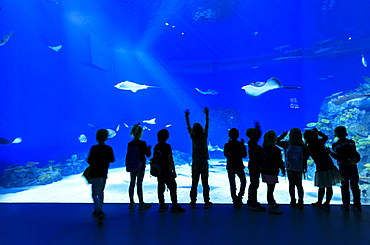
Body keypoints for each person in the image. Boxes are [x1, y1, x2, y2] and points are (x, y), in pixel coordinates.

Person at [304, 128, 344, 211]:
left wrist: (303, 166)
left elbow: (305, 158)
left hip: (321, 168)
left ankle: (319, 202)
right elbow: (325, 137)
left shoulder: (309, 147)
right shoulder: (320, 142)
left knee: (321, 186)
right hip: (329, 165)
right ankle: (327, 203)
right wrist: (318, 132)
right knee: (329, 186)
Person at [185, 107, 212, 209]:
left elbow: (188, 127)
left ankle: (192, 201)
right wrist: (207, 115)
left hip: (195, 161)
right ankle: (206, 201)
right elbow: (207, 126)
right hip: (204, 161)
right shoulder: (204, 136)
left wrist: (186, 116)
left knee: (194, 182)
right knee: (205, 182)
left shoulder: (193, 137)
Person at [330, 126, 362, 211]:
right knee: (355, 185)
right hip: (353, 166)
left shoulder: (335, 145)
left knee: (344, 185)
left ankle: (345, 204)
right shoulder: (352, 142)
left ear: (335, 134)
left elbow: (338, 156)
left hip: (343, 167)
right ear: (346, 133)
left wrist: (329, 153)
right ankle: (357, 204)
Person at [154, 129, 185, 213]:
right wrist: (173, 170)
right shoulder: (167, 146)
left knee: (160, 188)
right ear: (167, 137)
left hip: (159, 171)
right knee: (172, 187)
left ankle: (162, 205)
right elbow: (170, 159)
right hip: (167, 171)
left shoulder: (156, 146)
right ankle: (174, 205)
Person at [87, 129, 115, 218]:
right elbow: (112, 159)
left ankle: (98, 210)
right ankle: (100, 208)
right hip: (103, 173)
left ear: (96, 138)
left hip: (94, 173)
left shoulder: (94, 148)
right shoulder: (108, 148)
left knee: (94, 193)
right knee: (101, 191)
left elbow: (89, 160)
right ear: (107, 138)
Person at [277, 128, 307, 209]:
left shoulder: (286, 144)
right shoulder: (303, 146)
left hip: (290, 168)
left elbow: (276, 141)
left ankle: (293, 200)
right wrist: (304, 167)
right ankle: (301, 201)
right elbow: (304, 158)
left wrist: (282, 135)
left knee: (291, 185)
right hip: (299, 168)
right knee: (299, 185)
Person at [127, 123, 152, 210]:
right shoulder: (143, 143)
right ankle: (141, 203)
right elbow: (148, 155)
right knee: (139, 184)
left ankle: (131, 203)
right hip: (141, 166)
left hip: (132, 166)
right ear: (141, 133)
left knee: (132, 183)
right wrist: (149, 149)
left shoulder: (130, 144)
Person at [261, 130, 285, 215]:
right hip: (272, 172)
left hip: (265, 171)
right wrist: (283, 168)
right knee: (270, 190)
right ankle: (271, 207)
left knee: (269, 188)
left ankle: (273, 202)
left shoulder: (263, 148)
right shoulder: (276, 150)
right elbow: (279, 161)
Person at [224, 128, 247, 208]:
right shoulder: (240, 145)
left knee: (232, 184)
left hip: (230, 166)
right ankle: (239, 197)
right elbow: (244, 155)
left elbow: (225, 155)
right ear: (238, 135)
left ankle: (234, 200)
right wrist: (243, 145)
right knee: (243, 181)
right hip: (239, 166)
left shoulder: (227, 145)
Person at [246, 122, 266, 212]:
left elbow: (259, 135)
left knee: (253, 183)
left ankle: (251, 200)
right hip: (255, 165)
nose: (257, 135)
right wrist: (258, 128)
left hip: (253, 165)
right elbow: (259, 136)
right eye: (255, 134)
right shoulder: (252, 143)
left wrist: (258, 128)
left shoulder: (251, 143)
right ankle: (253, 203)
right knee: (255, 184)